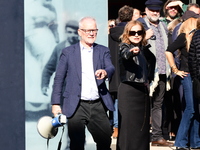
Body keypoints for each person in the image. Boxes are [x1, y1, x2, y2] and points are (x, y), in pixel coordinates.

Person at [51, 17, 115, 150]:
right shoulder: (68, 52)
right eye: (88, 30)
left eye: (94, 30)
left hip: (98, 104)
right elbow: (59, 78)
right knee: (77, 144)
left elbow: (111, 67)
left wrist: (105, 71)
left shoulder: (103, 51)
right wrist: (56, 103)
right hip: (76, 105)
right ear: (80, 32)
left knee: (105, 141)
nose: (92, 33)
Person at [116, 20, 155, 150]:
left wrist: (149, 79)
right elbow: (125, 55)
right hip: (129, 91)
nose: (136, 35)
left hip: (142, 92)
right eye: (133, 32)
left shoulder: (143, 49)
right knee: (128, 129)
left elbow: (152, 61)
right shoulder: (124, 46)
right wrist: (132, 52)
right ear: (127, 34)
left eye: (139, 32)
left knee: (142, 129)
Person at [142, 0, 174, 146]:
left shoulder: (162, 25)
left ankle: (156, 136)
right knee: (143, 105)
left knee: (158, 104)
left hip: (161, 71)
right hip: (145, 73)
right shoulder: (140, 24)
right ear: (146, 10)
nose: (155, 13)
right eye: (152, 10)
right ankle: (140, 135)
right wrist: (143, 38)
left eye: (157, 10)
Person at [166, 17, 200, 150]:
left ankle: (195, 141)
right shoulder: (183, 37)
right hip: (186, 75)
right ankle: (180, 142)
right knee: (190, 109)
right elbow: (168, 50)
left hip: (194, 76)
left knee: (196, 109)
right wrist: (175, 70)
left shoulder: (193, 38)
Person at [108, 5, 133, 139]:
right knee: (122, 100)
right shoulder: (131, 33)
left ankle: (114, 126)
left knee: (113, 99)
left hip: (112, 70)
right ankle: (118, 127)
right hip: (126, 70)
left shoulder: (110, 34)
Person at [41, 20, 79, 96]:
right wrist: (44, 85)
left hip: (77, 91)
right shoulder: (59, 48)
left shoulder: (83, 48)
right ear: (65, 32)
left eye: (75, 33)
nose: (72, 35)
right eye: (69, 32)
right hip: (60, 90)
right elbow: (49, 68)